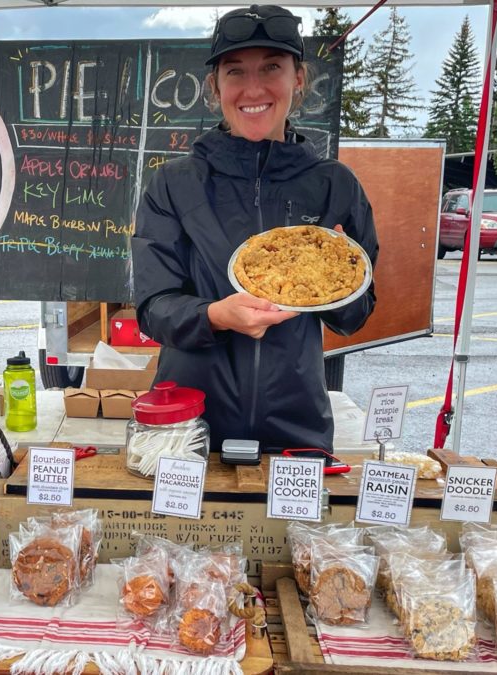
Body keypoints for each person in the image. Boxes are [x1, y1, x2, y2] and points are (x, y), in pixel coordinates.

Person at [132, 5, 379, 454]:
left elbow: (354, 316)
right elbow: (153, 307)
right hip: (188, 426)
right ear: (215, 87)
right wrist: (215, 316)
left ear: (298, 78)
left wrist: (333, 277)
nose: (253, 88)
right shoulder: (174, 184)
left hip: (296, 427)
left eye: (271, 67)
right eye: (235, 72)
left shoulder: (334, 185)